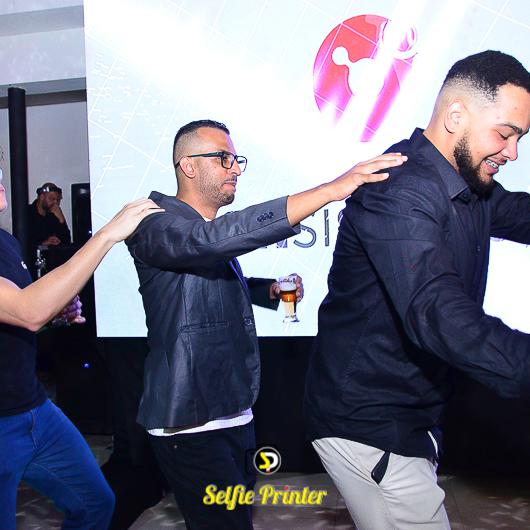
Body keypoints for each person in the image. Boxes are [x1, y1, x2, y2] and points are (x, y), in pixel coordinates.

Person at [125, 119, 407, 530]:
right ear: (188, 165)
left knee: (237, 519)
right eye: (222, 158)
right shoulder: (155, 223)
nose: (235, 168)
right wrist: (331, 189)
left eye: (236, 159)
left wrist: (266, 290)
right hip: (190, 420)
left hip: (232, 412)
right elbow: (208, 243)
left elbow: (201, 280)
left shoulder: (196, 230)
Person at [304, 50, 530, 529]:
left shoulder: (469, 183)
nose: (512, 153)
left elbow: (524, 214)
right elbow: (437, 312)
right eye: (505, 134)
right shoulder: (399, 191)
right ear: (456, 116)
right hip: (369, 424)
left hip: (411, 415)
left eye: (519, 139)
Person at [0, 165, 163, 530]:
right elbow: (27, 311)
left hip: (34, 410)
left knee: (95, 503)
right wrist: (107, 234)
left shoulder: (5, 242)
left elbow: (21, 312)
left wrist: (54, 313)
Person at [27, 182, 71, 279]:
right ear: (42, 197)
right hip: (32, 268)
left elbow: (67, 241)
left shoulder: (53, 215)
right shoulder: (27, 213)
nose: (56, 203)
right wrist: (43, 243)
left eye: (58, 200)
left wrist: (61, 219)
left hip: (52, 269)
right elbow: (23, 242)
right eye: (52, 199)